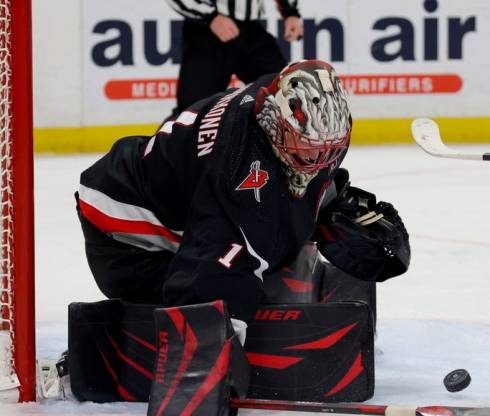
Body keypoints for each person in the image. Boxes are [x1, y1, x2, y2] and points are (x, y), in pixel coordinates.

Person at [75, 59, 410, 323]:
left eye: (327, 150)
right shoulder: (236, 173)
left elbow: (297, 186)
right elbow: (209, 274)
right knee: (249, 283)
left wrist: (332, 206)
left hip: (180, 191)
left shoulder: (279, 103)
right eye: (307, 149)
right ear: (276, 122)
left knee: (276, 255)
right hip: (125, 238)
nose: (317, 160)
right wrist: (205, 365)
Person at [166, 0, 304, 114]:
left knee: (285, 95)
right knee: (193, 111)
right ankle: (159, 147)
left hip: (250, 29)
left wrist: (290, 11)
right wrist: (210, 16)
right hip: (205, 31)